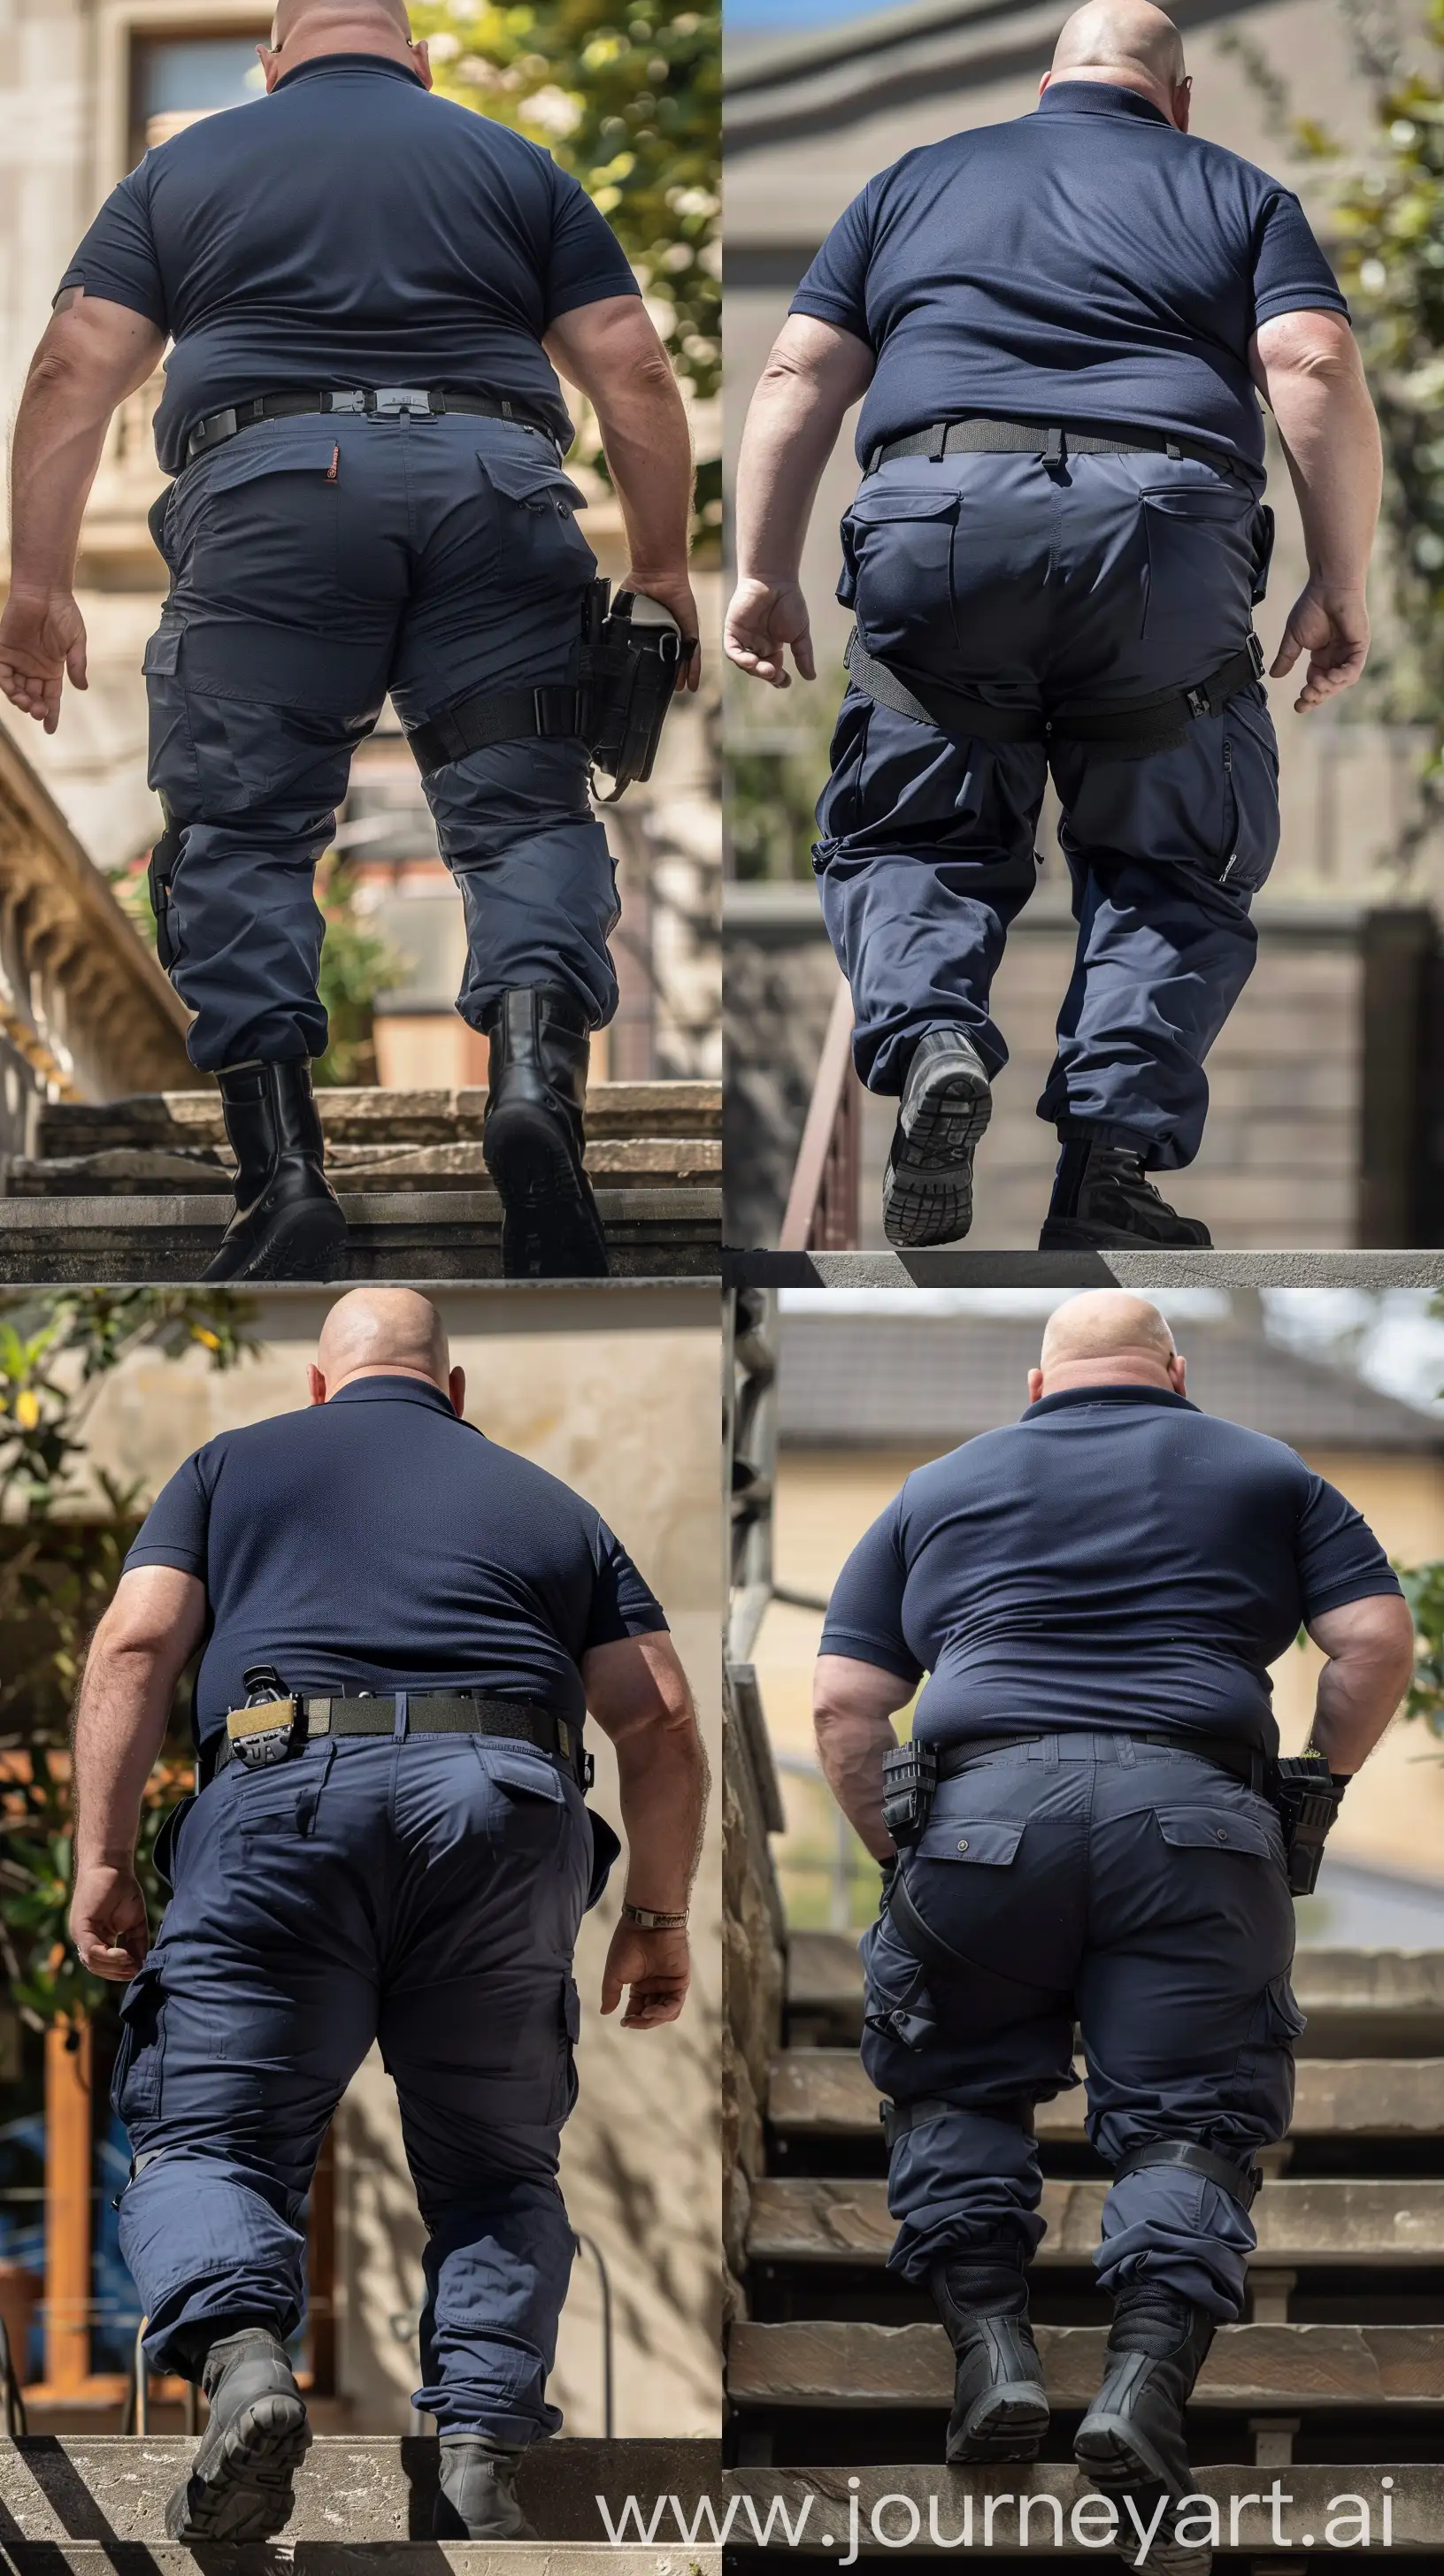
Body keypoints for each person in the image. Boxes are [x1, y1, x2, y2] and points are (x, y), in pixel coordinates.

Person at [2, 0, 700, 1284]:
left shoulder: (183, 169)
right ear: (418, 63)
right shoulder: (514, 164)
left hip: (276, 500)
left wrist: (34, 582)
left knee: (244, 833)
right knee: (527, 821)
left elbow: (68, 371)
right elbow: (637, 374)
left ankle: (285, 1182)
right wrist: (660, 568)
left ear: (273, 66)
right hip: (496, 495)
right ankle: (536, 1100)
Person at [726, 0, 1381, 1254]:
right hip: (1161, 539)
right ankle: (1106, 1173)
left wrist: (761, 570)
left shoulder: (913, 181)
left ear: (1046, 83)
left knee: (916, 828)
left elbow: (795, 373)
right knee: (1169, 856)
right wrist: (1340, 577)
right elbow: (1312, 364)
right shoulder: (1237, 190)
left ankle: (931, 1044)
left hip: (941, 521)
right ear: (1177, 100)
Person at [68, 1286, 709, 2544]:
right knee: (495, 2171)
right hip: (504, 1813)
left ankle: (248, 2366)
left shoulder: (228, 1467)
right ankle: (478, 2459)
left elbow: (136, 1648)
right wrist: (659, 1915)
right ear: (454, 1395)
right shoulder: (552, 1505)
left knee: (210, 2148)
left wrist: (101, 1858)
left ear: (318, 1387)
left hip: (281, 1806)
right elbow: (664, 1718)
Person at [813, 1292, 1413, 2570]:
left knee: (954, 2089)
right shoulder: (1264, 1466)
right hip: (1195, 1824)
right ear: (1176, 1374)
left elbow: (846, 1708)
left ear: (1039, 1386)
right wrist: (1318, 1782)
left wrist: (901, 1858)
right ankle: (1143, 2387)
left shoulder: (939, 1484)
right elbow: (1371, 1638)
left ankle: (993, 2360)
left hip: (981, 1824)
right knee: (1192, 2119)